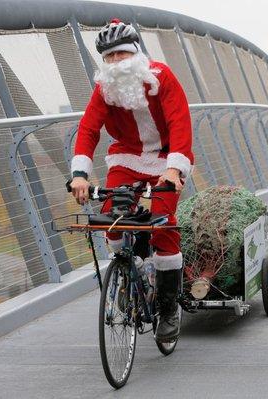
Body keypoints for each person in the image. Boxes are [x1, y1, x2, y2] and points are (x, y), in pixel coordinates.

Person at [69, 19, 194, 342]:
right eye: (109, 58)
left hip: (166, 160)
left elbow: (180, 122)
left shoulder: (162, 77)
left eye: (121, 55)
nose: (116, 63)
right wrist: (80, 174)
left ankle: (168, 309)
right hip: (126, 158)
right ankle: (130, 271)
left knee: (163, 225)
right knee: (111, 215)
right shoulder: (105, 88)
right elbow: (88, 129)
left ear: (136, 53)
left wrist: (174, 169)